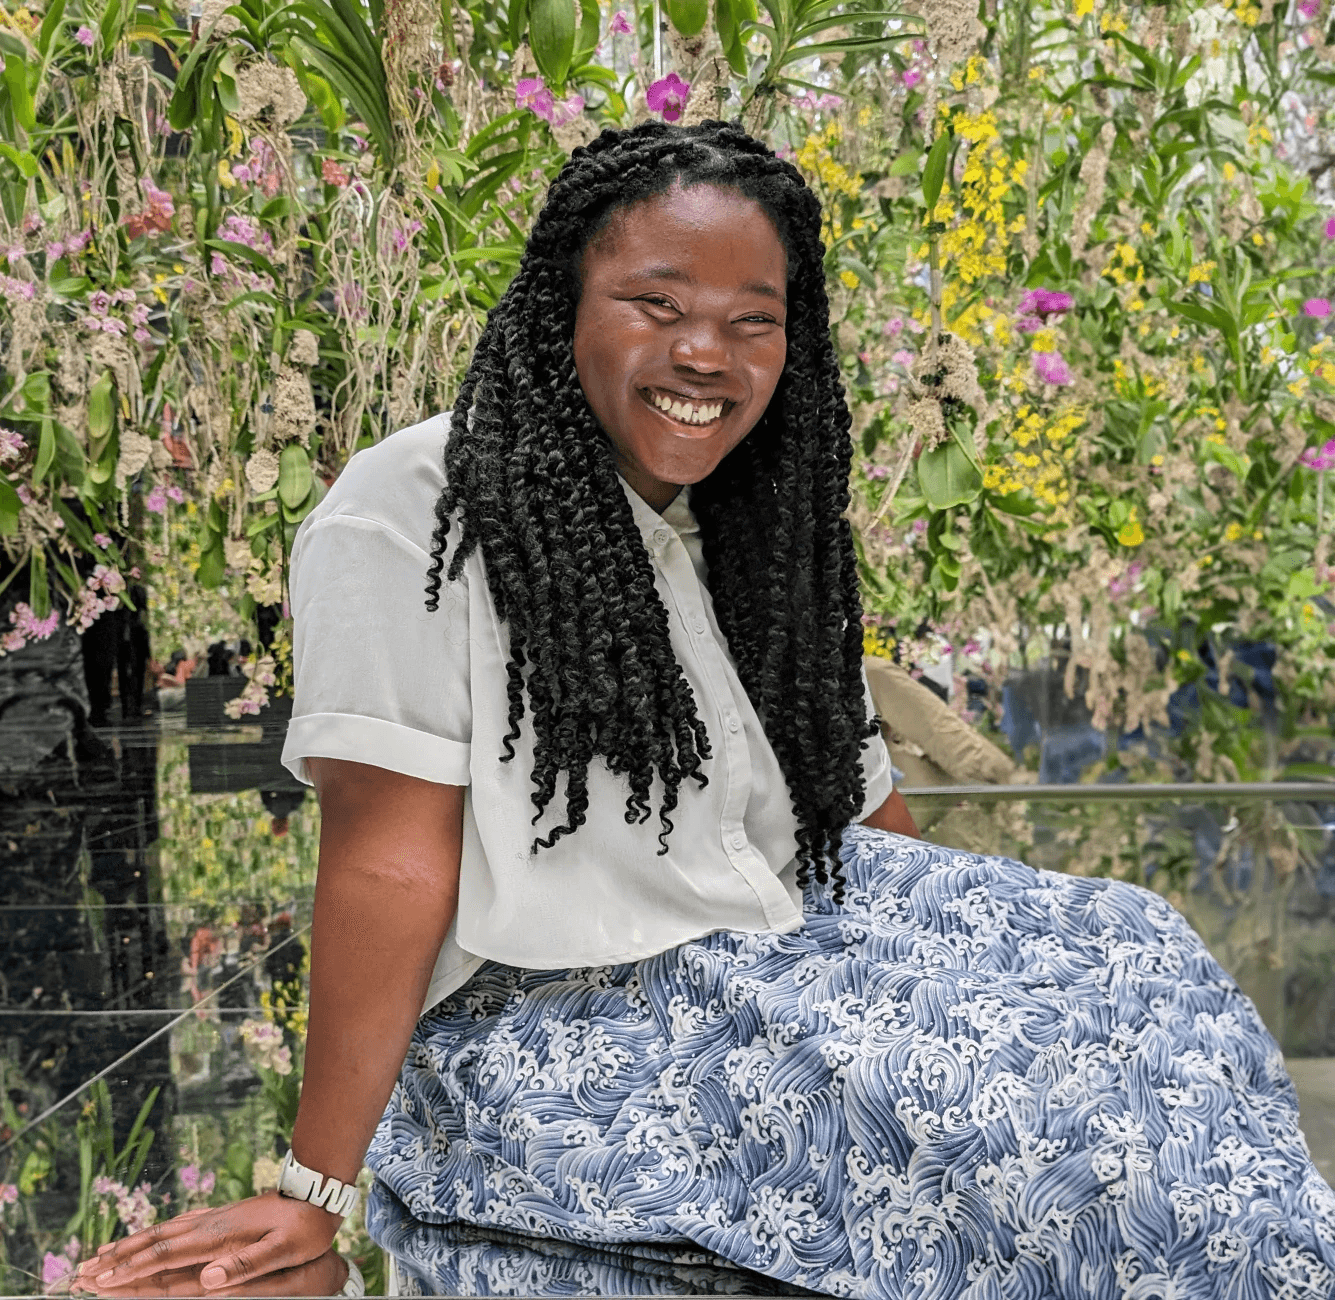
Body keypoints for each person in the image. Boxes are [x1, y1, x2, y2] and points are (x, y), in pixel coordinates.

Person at [76, 121, 1335, 1299]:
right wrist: (313, 1189)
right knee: (1072, 1158)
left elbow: (850, 795)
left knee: (1137, 949)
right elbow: (391, 861)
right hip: (572, 1007)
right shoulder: (411, 506)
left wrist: (939, 968)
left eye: (753, 321)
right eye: (657, 305)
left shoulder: (755, 509)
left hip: (783, 928)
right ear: (562, 304)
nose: (706, 357)